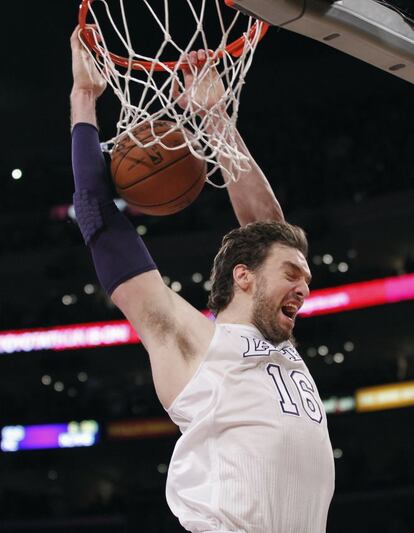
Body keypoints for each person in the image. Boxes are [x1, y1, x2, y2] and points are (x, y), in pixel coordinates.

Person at [70, 25, 334, 533]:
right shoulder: (192, 341)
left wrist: (215, 119)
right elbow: (99, 220)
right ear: (245, 278)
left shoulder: (280, 346)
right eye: (292, 273)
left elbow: (271, 230)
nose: (306, 284)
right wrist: (84, 97)